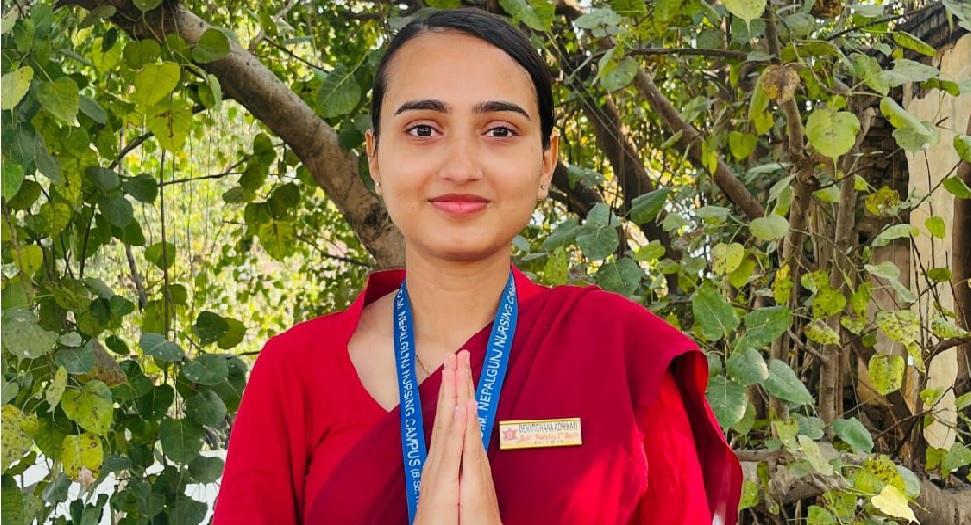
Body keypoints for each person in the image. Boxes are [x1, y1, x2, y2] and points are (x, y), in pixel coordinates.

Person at [212, 8, 741, 525]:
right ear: (374, 156)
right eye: (423, 129)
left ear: (546, 161)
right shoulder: (294, 372)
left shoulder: (621, 355)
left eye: (500, 131)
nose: (461, 167)